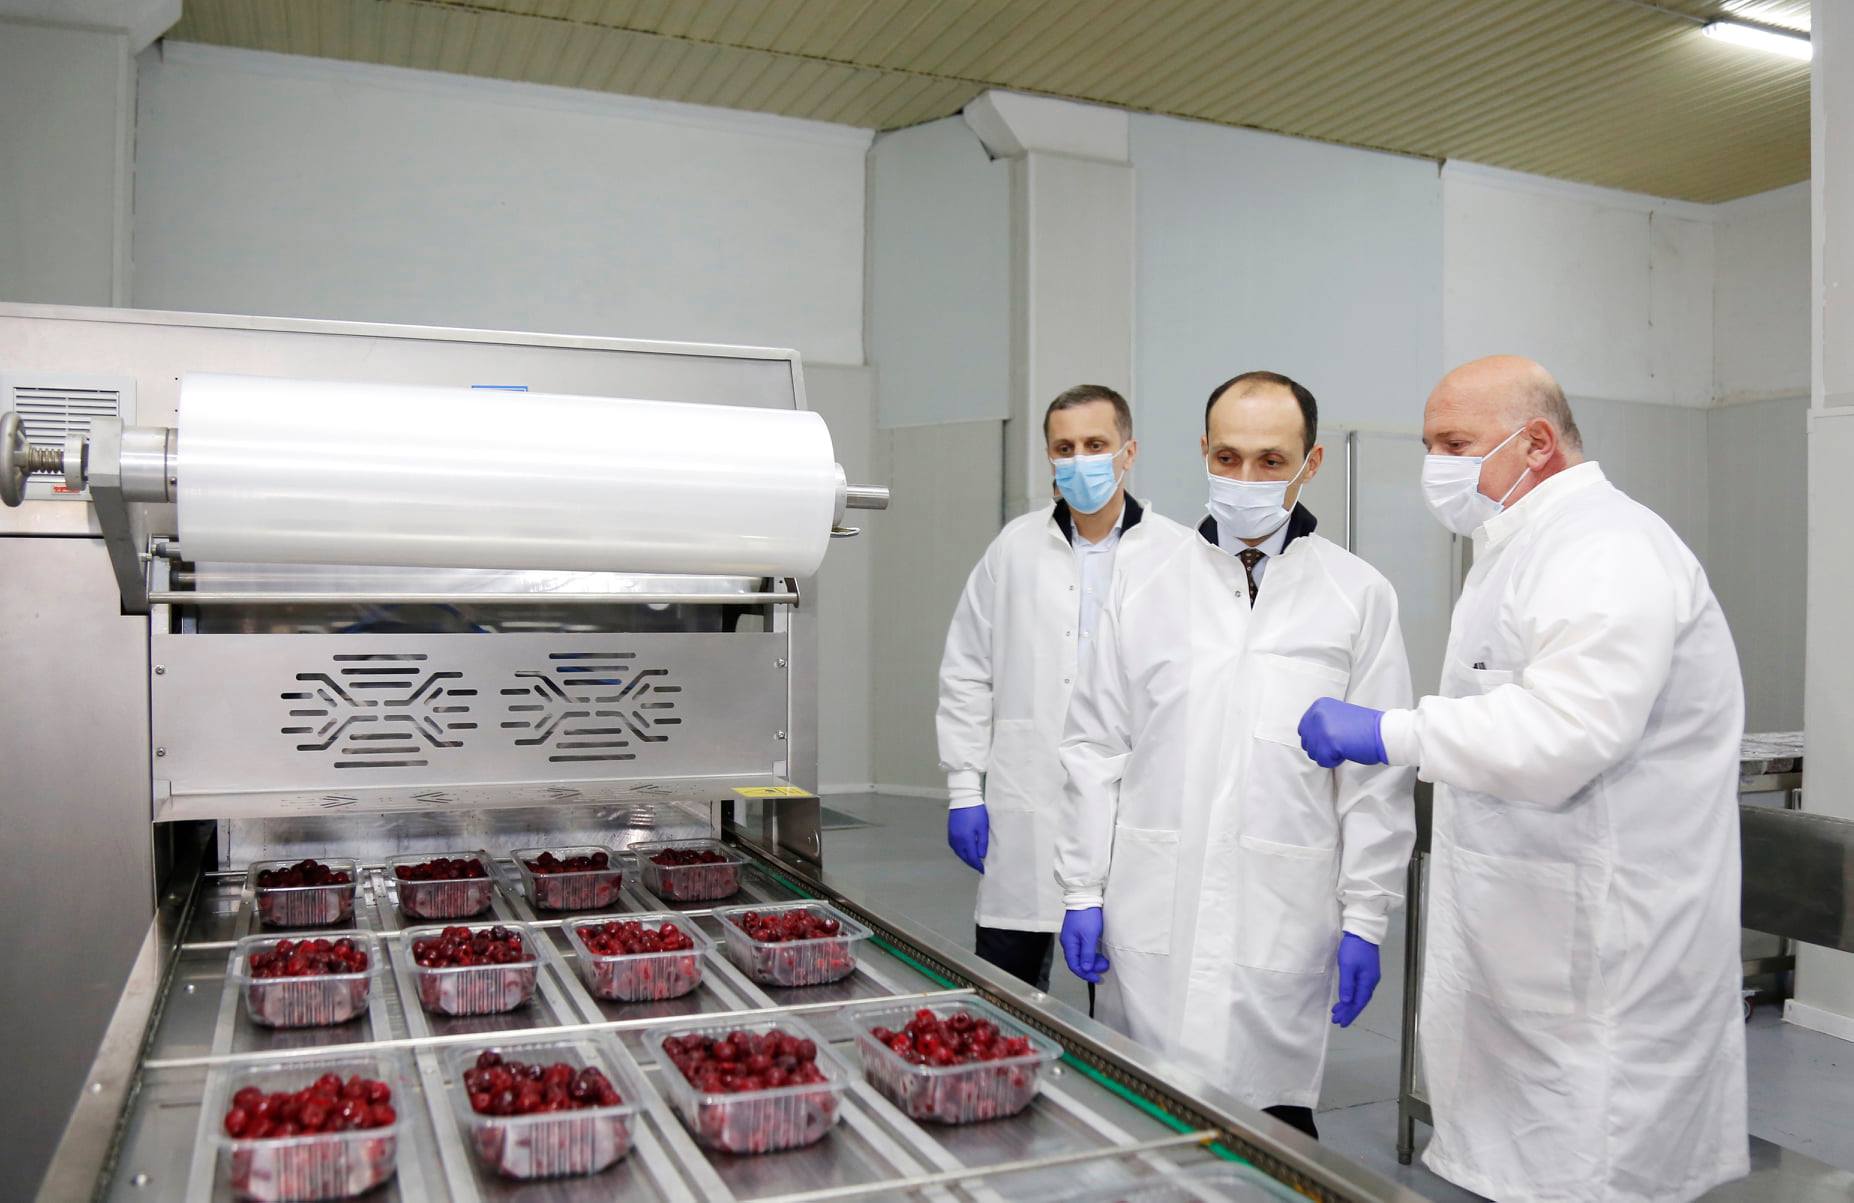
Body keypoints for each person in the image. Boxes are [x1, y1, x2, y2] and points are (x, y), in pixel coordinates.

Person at [1298, 355, 1748, 1201]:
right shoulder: (1523, 546)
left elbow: (1567, 730)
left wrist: (1390, 730)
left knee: (1596, 1170)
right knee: (1534, 1163)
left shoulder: (1608, 548)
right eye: (1430, 446)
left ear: (1536, 442)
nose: (1436, 467)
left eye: (1454, 443)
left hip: (1608, 960)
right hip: (1536, 941)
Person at [1056, 371, 1414, 1140]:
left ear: (1311, 463)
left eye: (1271, 461)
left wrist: (1366, 916)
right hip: (1153, 900)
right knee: (1140, 1120)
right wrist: (1082, 888)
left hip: (1282, 910)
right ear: (1203, 452)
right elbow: (1095, 746)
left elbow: (1376, 778)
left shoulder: (1357, 595)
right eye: (1227, 457)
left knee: (1273, 1126)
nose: (1245, 478)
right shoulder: (1142, 580)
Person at [937, 384, 1170, 990]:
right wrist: (963, 789)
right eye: (1064, 448)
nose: (1079, 460)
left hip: (1135, 798)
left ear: (1128, 451)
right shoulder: (1014, 548)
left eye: (1096, 444)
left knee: (1132, 989)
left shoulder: (1174, 554)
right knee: (1005, 987)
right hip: (1027, 796)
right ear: (1049, 457)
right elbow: (967, 668)